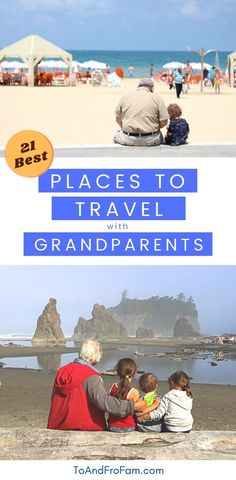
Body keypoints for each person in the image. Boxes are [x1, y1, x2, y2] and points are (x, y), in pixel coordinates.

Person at [47, 340, 145, 431]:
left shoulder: (63, 370)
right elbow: (103, 401)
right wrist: (132, 406)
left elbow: (54, 399)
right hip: (82, 428)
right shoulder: (90, 376)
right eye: (100, 354)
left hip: (57, 425)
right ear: (94, 356)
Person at [113, 78, 168, 146]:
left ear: (138, 87)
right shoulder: (157, 98)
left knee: (116, 136)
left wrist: (126, 127)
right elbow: (164, 121)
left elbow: (118, 119)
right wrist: (153, 127)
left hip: (128, 138)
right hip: (151, 139)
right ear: (152, 88)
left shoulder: (125, 96)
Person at [107, 358, 140, 432]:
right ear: (134, 373)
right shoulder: (134, 392)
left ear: (118, 372)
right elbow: (136, 411)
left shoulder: (112, 387)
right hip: (127, 426)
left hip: (112, 425)